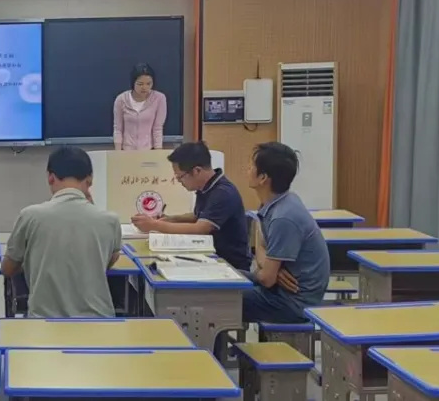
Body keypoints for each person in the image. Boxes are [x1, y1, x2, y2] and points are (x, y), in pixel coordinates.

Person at [2, 146, 123, 317]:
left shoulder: (30, 216)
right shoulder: (110, 220)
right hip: (98, 322)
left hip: (44, 323)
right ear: (90, 179)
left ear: (50, 177)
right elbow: (106, 262)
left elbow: (8, 269)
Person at [244, 142, 330, 323]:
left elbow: (266, 279)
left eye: (252, 166)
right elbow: (261, 245)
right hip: (279, 292)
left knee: (220, 296)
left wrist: (269, 271)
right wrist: (272, 269)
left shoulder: (283, 217)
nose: (247, 169)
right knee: (227, 281)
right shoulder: (278, 201)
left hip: (293, 304)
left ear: (263, 178)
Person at [131, 141, 251, 270]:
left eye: (180, 176)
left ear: (197, 171)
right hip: (208, 256)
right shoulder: (205, 187)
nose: (179, 181)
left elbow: (201, 228)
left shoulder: (222, 193)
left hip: (229, 265)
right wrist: (170, 219)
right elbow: (198, 216)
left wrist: (154, 225)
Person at [113, 63, 167, 150]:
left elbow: (157, 128)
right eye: (140, 84)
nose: (144, 87)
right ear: (133, 83)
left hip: (149, 150)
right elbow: (118, 129)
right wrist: (118, 152)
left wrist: (158, 152)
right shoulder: (121, 99)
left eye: (148, 84)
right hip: (126, 150)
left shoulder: (159, 98)